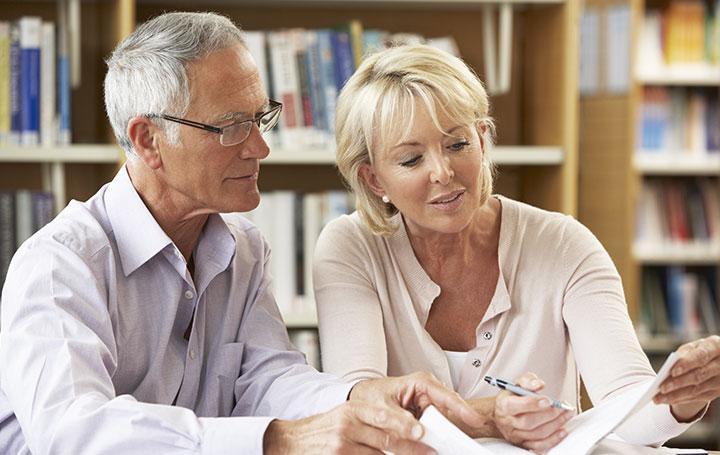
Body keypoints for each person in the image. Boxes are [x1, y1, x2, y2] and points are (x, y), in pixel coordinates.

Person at [0, 14, 484, 454]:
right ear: (149, 139)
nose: (260, 147)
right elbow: (73, 433)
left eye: (259, 118)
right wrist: (278, 439)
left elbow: (268, 376)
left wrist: (359, 397)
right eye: (232, 127)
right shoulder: (59, 265)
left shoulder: (242, 247)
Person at [313, 44, 720, 452]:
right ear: (374, 181)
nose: (443, 173)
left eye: (457, 145)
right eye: (411, 160)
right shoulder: (351, 248)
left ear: (483, 141)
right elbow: (361, 411)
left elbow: (626, 409)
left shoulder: (564, 244)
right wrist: (488, 418)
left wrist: (682, 395)